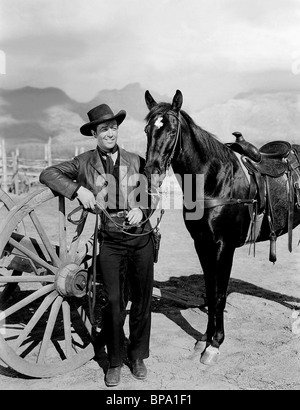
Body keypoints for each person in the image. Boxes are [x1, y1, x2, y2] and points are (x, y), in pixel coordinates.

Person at [39, 103, 154, 387]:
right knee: (114, 302)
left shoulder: (136, 161)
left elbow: (151, 192)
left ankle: (137, 356)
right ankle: (114, 361)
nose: (110, 133)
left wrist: (142, 208)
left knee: (141, 299)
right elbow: (49, 174)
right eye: (104, 129)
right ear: (94, 133)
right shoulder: (83, 163)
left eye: (114, 128)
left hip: (140, 237)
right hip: (110, 240)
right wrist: (78, 189)